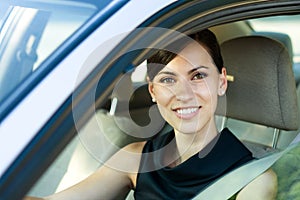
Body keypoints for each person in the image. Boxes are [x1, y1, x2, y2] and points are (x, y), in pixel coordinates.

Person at [25, 29, 277, 200]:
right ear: (153, 90)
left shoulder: (254, 180)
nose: (183, 94)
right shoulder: (136, 158)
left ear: (221, 82)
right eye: (168, 79)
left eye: (198, 76)